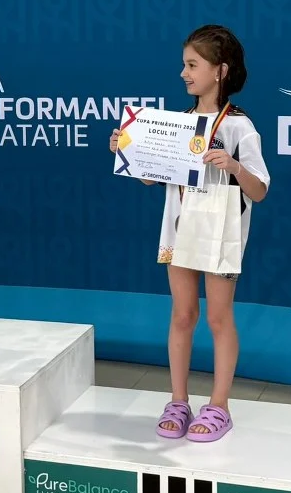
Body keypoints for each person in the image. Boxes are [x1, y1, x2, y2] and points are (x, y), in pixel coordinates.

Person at [110, 25, 269, 441]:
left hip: (219, 233)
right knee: (182, 315)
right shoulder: (177, 124)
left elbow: (260, 190)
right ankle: (178, 401)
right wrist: (128, 149)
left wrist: (234, 166)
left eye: (193, 65)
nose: (184, 73)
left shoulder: (239, 126)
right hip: (179, 229)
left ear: (220, 70)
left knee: (218, 317)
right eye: (184, 64)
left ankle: (219, 406)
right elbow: (151, 178)